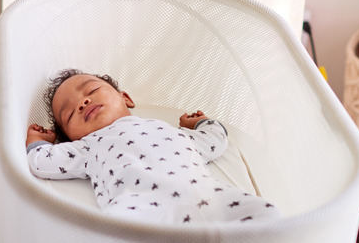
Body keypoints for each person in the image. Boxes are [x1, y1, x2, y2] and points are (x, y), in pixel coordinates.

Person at [26, 69, 281, 224]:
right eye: (70, 113)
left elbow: (214, 140)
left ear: (126, 98)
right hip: (141, 206)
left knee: (265, 213)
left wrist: (201, 123)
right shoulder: (88, 147)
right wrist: (38, 143)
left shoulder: (170, 130)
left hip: (205, 196)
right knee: (116, 230)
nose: (83, 102)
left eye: (91, 90)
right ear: (71, 138)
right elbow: (43, 163)